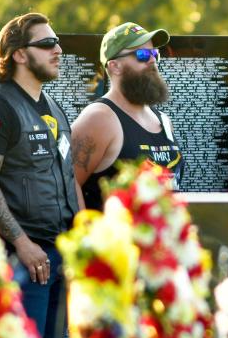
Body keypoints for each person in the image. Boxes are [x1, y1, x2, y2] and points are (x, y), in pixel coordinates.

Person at [0, 12, 82, 338]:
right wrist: (21, 242)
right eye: (46, 44)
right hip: (21, 263)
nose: (57, 50)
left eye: (57, 43)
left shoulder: (54, 107)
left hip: (58, 260)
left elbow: (69, 177)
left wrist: (80, 243)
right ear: (19, 54)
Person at [71, 22, 181, 210]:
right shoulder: (99, 118)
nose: (152, 60)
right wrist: (87, 231)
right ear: (115, 66)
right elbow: (69, 183)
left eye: (155, 54)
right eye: (142, 55)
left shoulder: (163, 120)